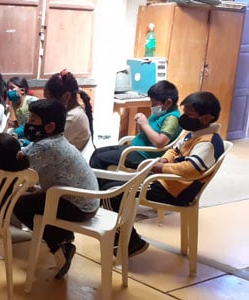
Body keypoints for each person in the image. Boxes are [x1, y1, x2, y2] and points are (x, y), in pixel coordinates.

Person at [109, 91, 225, 257]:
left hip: (175, 191)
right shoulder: (193, 133)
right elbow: (173, 150)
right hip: (166, 183)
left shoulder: (208, 142)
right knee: (110, 187)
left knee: (115, 193)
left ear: (206, 118)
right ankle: (125, 240)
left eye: (189, 114)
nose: (184, 117)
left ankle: (131, 243)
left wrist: (160, 169)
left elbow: (189, 169)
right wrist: (164, 160)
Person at [14, 99, 99, 279]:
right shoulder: (51, 140)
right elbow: (24, 151)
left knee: (19, 204)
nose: (29, 124)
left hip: (77, 206)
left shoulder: (47, 146)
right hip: (85, 201)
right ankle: (64, 239)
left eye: (34, 120)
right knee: (31, 198)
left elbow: (17, 165)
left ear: (50, 126)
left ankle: (60, 244)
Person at [89, 80, 182, 172]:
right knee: (97, 152)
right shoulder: (160, 112)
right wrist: (140, 123)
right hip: (134, 148)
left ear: (168, 102)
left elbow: (160, 142)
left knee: (98, 159)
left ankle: (97, 185)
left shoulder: (172, 118)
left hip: (143, 155)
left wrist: (145, 124)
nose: (152, 105)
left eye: (154, 103)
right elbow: (145, 133)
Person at [43, 69, 94, 151]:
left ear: (66, 96)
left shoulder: (74, 117)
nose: (47, 103)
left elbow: (46, 144)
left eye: (49, 99)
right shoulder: (72, 113)